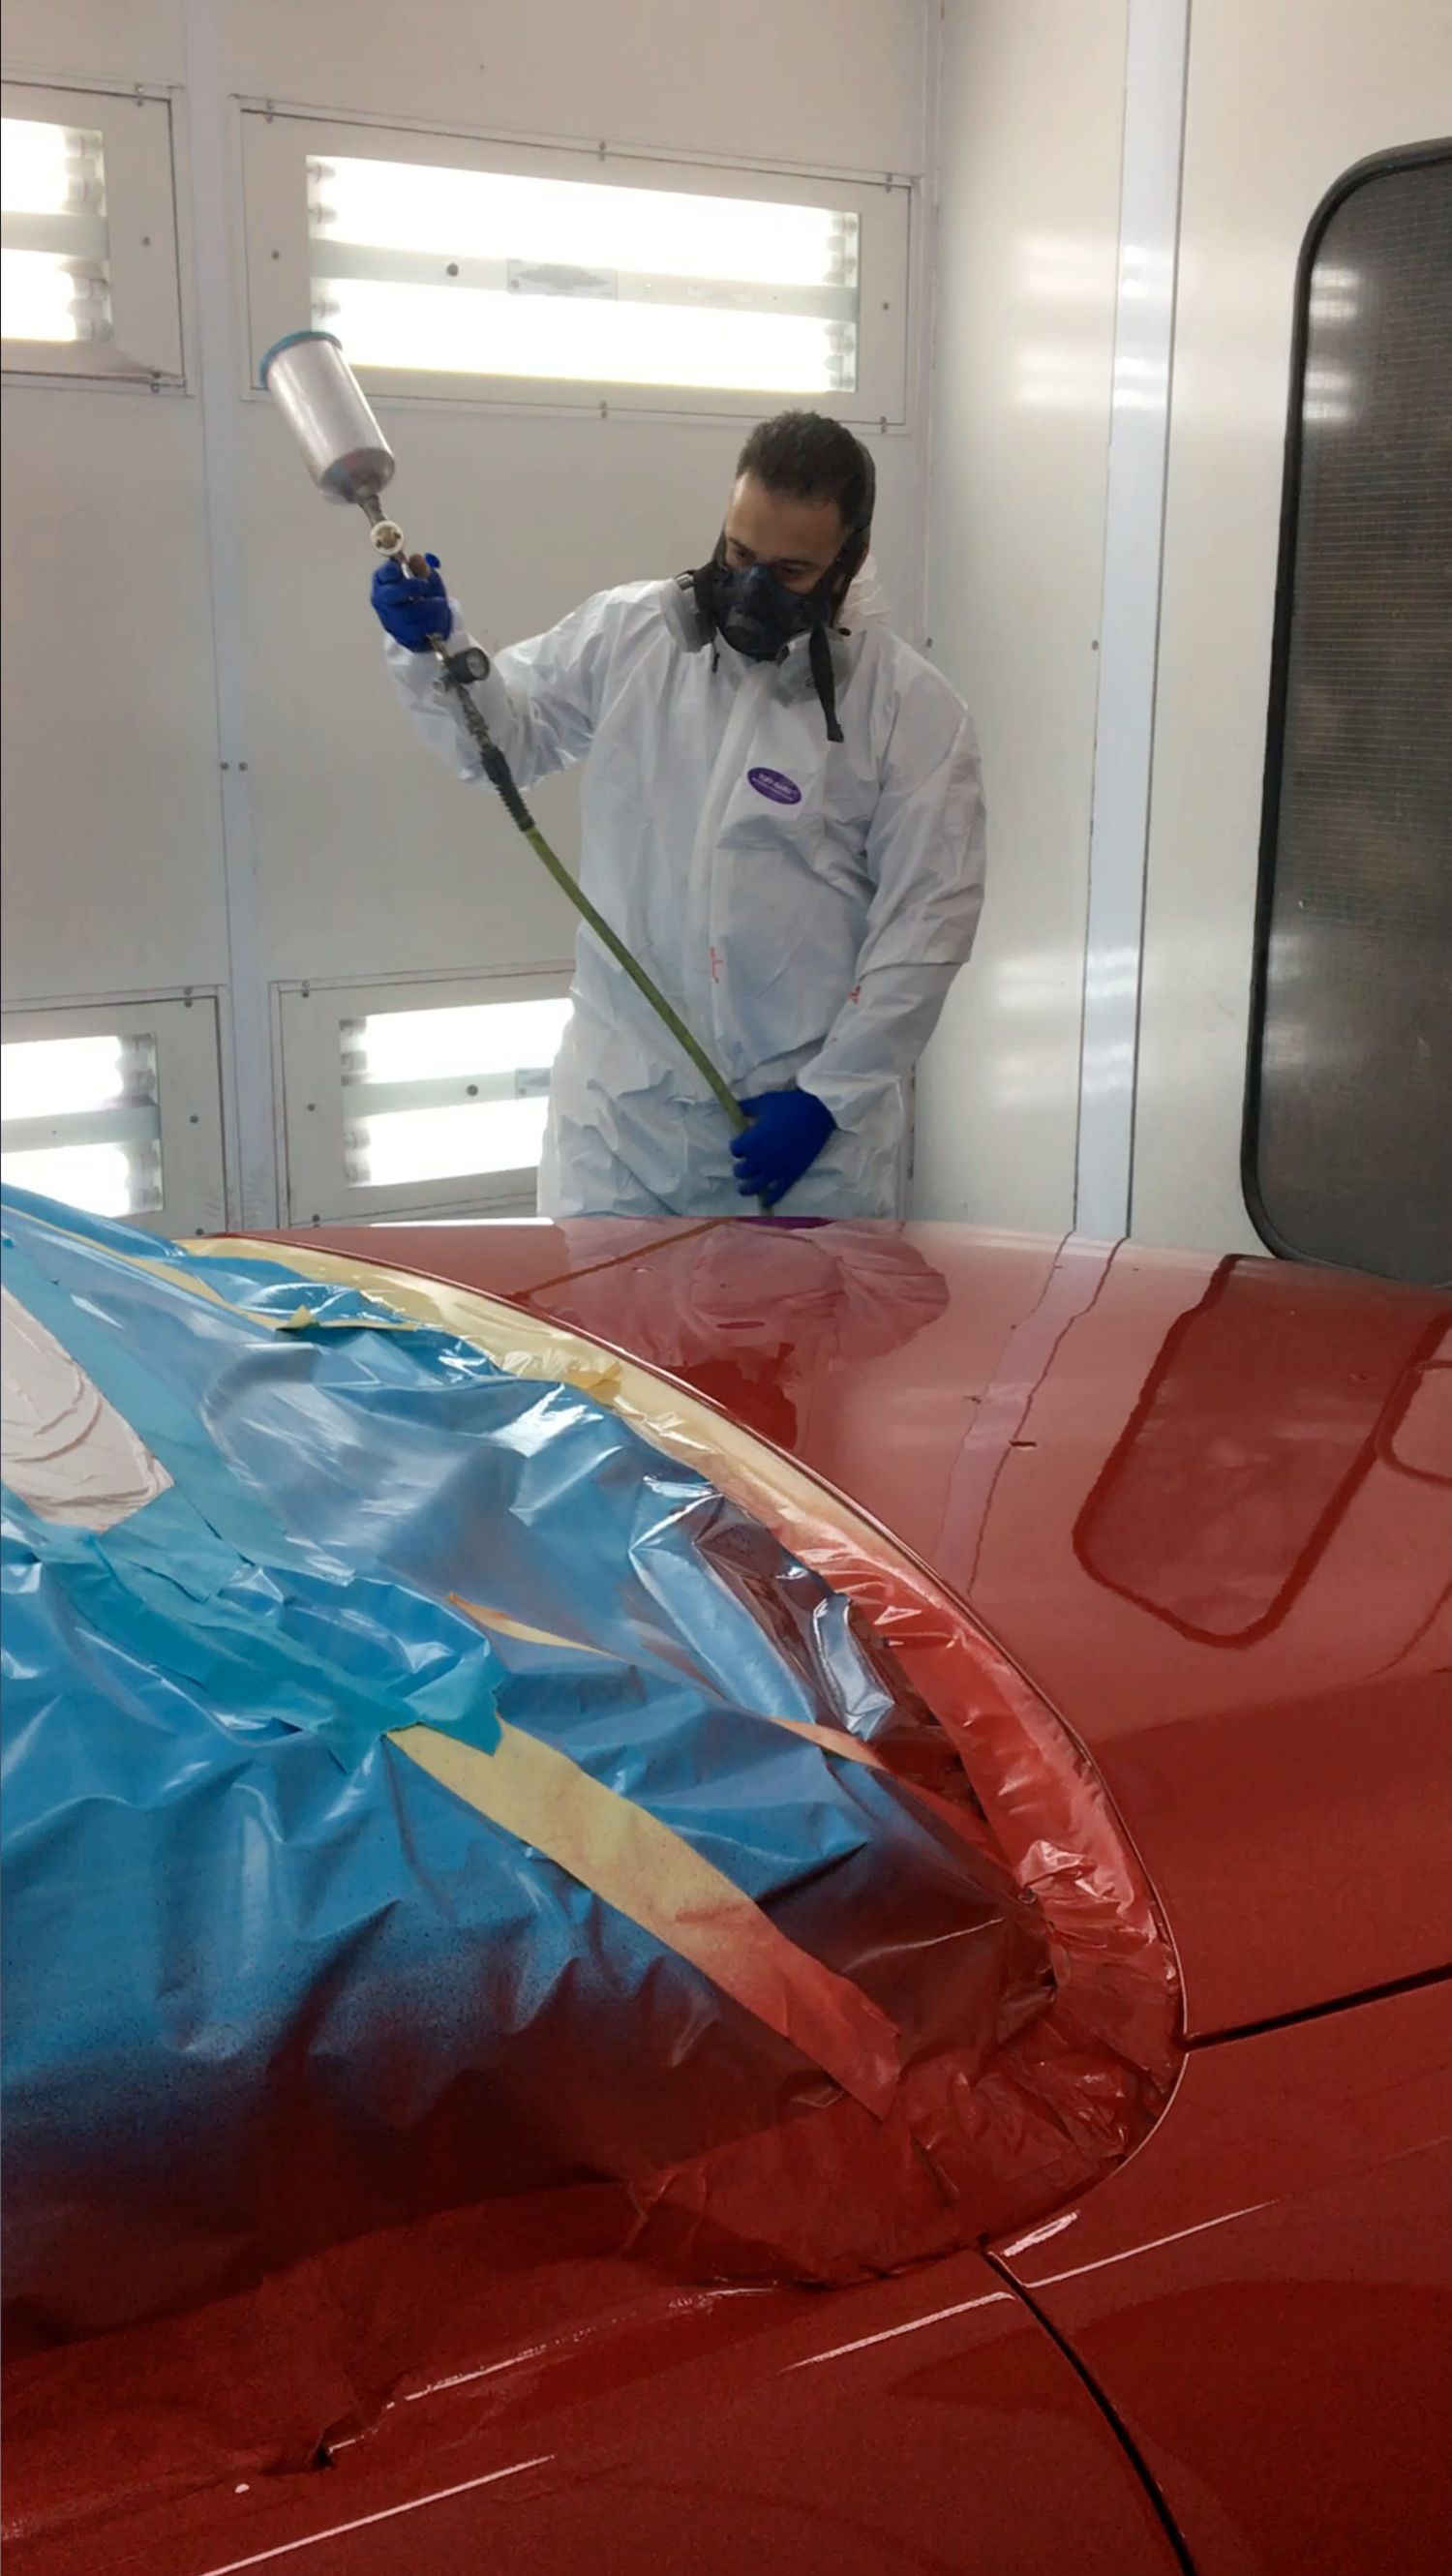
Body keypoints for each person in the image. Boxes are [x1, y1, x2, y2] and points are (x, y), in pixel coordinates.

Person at [372, 412, 986, 1220]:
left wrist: (831, 1098)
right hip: (622, 1123)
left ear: (851, 562)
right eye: (739, 555)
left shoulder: (908, 712)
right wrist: (435, 648)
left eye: (793, 571)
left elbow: (927, 923)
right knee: (598, 1344)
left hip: (802, 1141)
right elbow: (504, 740)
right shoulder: (633, 637)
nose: (753, 589)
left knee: (800, 1347)